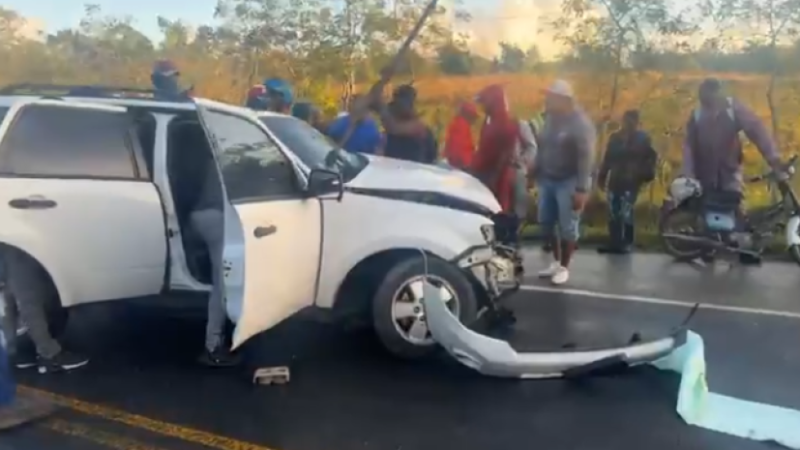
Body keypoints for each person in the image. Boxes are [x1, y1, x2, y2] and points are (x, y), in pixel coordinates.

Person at [683, 78, 784, 265]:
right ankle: (708, 249)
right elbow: (689, 146)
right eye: (703, 95)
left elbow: (757, 131)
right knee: (707, 210)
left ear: (717, 92)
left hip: (729, 170)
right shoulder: (697, 116)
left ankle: (743, 250)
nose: (706, 99)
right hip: (704, 172)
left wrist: (773, 158)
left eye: (709, 94)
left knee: (735, 208)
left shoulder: (733, 109)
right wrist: (688, 173)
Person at [532, 80, 596, 285]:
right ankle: (556, 261)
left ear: (564, 100)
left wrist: (581, 189)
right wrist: (534, 170)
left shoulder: (580, 124)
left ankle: (565, 267)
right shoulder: (551, 119)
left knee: (568, 226)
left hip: (569, 180)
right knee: (546, 222)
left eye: (551, 97)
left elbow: (586, 158)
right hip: (548, 178)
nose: (547, 100)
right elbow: (543, 146)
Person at [1, 248, 88, 373]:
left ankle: (16, 352)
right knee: (31, 302)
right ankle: (50, 355)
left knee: (10, 302)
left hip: (7, 246)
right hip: (16, 247)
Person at [597, 110, 657, 254]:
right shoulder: (615, 138)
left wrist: (645, 174)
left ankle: (626, 242)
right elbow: (607, 159)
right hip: (616, 179)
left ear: (637, 122)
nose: (628, 124)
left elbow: (650, 158)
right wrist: (602, 176)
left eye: (632, 121)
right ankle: (614, 242)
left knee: (625, 211)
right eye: (626, 120)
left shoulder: (643, 139)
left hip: (631, 180)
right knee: (613, 211)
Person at [472, 84, 521, 247]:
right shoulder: (489, 121)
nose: (482, 106)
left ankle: (508, 246)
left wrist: (494, 177)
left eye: (484, 102)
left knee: (499, 211)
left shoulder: (505, 123)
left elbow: (505, 154)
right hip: (485, 173)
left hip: (497, 176)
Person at [375, 84, 438, 164]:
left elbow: (393, 128)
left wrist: (383, 110)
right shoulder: (394, 121)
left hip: (413, 170)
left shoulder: (417, 126)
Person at [443, 101, 478, 170]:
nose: (474, 120)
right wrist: (469, 165)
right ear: (468, 115)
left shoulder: (460, 123)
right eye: (473, 116)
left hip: (459, 163)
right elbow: (458, 151)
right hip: (460, 166)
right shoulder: (461, 126)